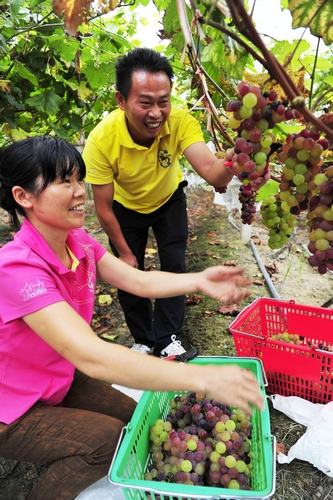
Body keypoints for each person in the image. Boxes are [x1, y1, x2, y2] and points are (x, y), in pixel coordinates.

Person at [0, 136, 263, 500]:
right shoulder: (16, 268)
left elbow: (137, 280)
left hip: (56, 381)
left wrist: (199, 280)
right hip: (10, 407)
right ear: (23, 196)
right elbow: (90, 354)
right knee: (104, 443)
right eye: (65, 181)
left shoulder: (78, 243)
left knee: (135, 422)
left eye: (80, 179)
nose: (81, 192)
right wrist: (199, 376)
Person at [82, 47, 240, 358]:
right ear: (121, 100)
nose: (156, 113)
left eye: (163, 101)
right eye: (145, 102)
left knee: (175, 267)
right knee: (130, 273)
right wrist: (125, 254)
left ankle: (168, 338)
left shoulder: (181, 122)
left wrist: (241, 153)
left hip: (169, 202)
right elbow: (102, 207)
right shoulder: (101, 140)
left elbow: (213, 172)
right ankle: (143, 339)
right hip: (124, 210)